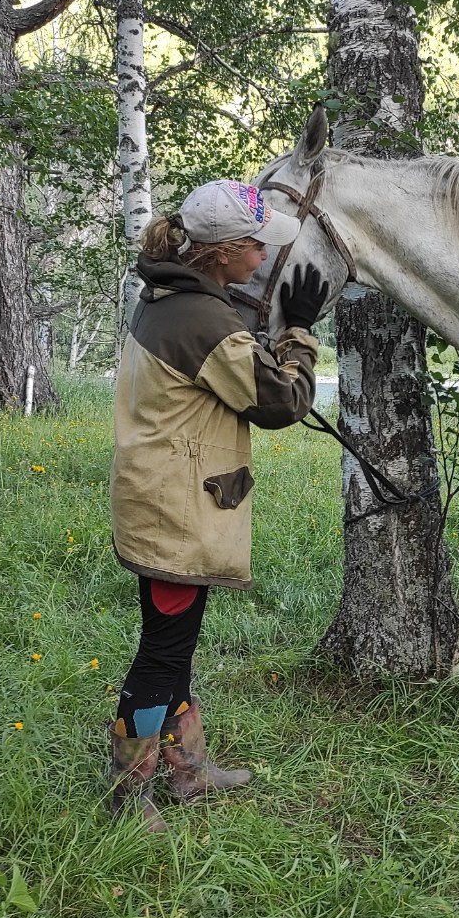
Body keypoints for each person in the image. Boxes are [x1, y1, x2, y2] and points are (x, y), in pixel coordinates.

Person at [108, 178, 328, 833]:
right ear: (224, 250)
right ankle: (127, 789)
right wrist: (301, 334)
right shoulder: (203, 321)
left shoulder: (172, 292)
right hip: (174, 516)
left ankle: (187, 770)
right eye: (257, 246)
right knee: (162, 655)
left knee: (175, 646)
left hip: (163, 501)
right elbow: (283, 403)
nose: (264, 257)